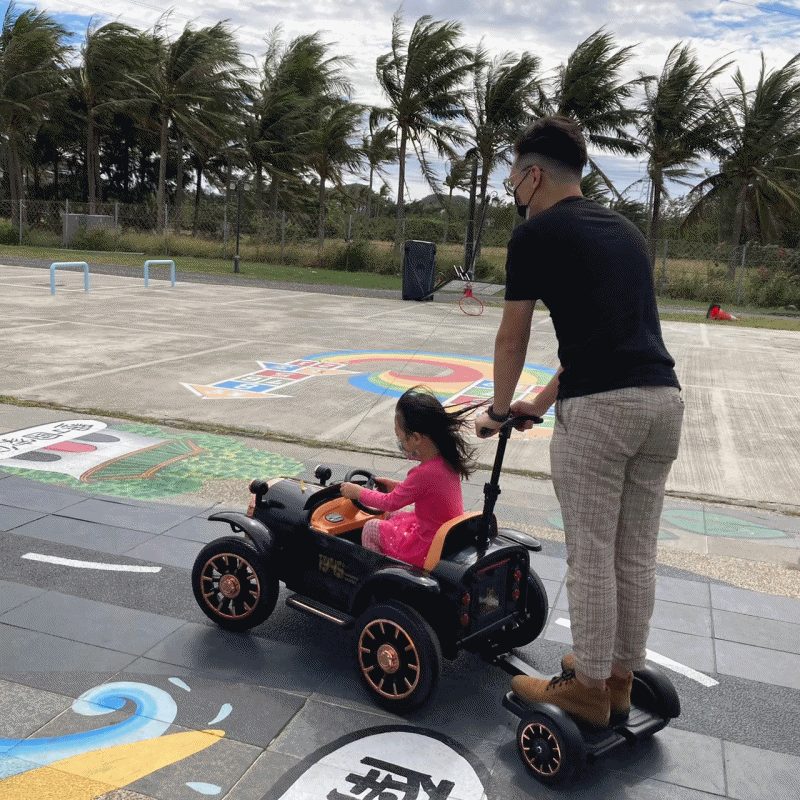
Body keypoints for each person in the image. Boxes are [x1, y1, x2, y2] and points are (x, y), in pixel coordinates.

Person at [475, 115, 684, 728]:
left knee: (591, 556)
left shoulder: (535, 236)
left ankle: (588, 688)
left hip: (601, 415)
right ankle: (619, 676)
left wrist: (496, 409)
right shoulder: (625, 231)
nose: (512, 186)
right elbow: (606, 341)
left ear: (535, 175)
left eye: (513, 175)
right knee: (634, 554)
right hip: (662, 402)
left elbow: (513, 333)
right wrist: (535, 406)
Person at [341, 387, 476, 569]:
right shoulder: (446, 462)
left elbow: (390, 503)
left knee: (371, 527)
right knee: (392, 516)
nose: (400, 443)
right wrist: (397, 486)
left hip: (425, 547)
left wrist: (358, 492)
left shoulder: (422, 473)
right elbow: (425, 492)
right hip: (442, 537)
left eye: (400, 436)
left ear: (417, 438)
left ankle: (376, 575)